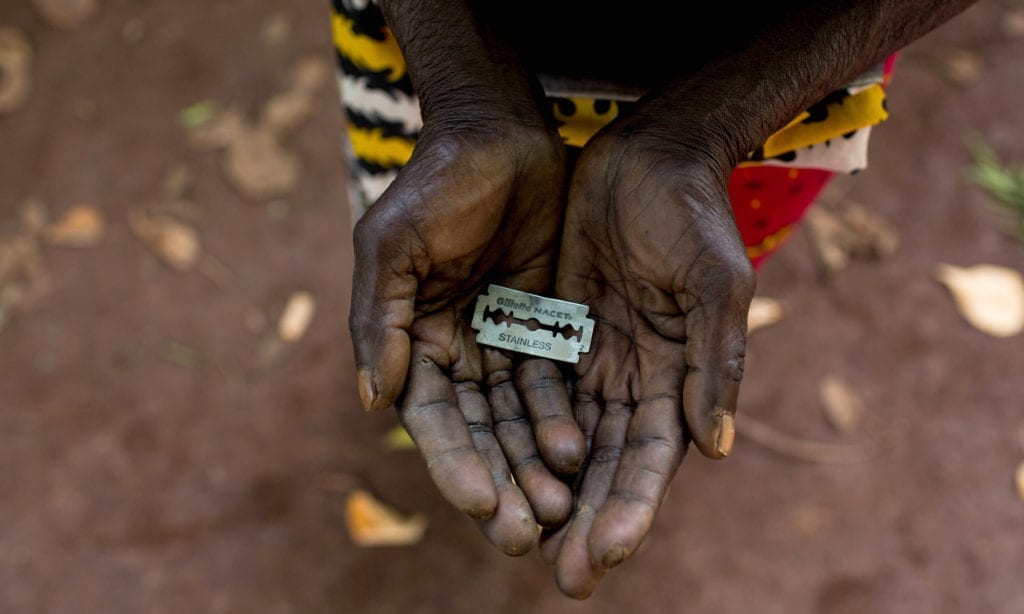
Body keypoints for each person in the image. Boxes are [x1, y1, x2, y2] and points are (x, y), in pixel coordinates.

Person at [329, 0, 979, 599]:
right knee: (426, 235)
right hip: (436, 61)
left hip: (771, 96)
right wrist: (466, 95)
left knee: (694, 272)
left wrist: (703, 132)